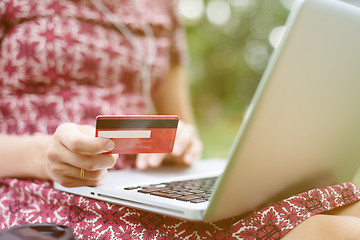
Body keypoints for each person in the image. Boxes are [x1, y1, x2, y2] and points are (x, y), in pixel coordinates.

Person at [1, 0, 360, 239]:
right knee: (330, 232)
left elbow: (181, 123)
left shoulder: (160, 7)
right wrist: (46, 153)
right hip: (45, 184)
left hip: (150, 180)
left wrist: (182, 142)